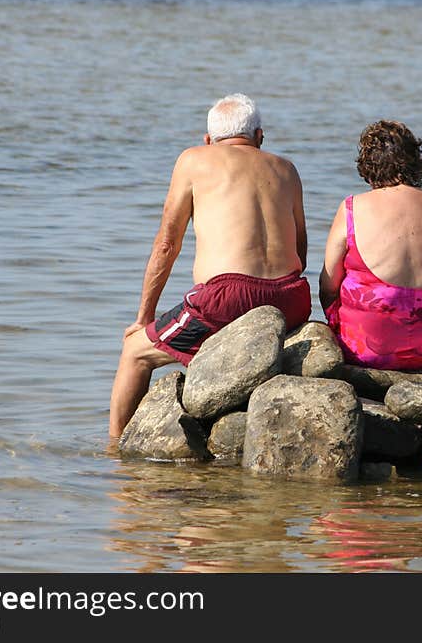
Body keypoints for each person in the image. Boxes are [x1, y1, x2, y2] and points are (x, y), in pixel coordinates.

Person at [109, 93, 311, 438]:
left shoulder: (194, 160)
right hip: (291, 297)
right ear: (260, 137)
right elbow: (301, 249)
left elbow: (166, 245)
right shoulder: (286, 169)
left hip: (225, 297)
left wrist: (144, 317)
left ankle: (115, 453)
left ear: (208, 140)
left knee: (134, 352)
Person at [319, 120, 422, 370]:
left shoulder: (353, 207)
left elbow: (328, 285)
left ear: (367, 164)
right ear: (416, 161)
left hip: (365, 347)